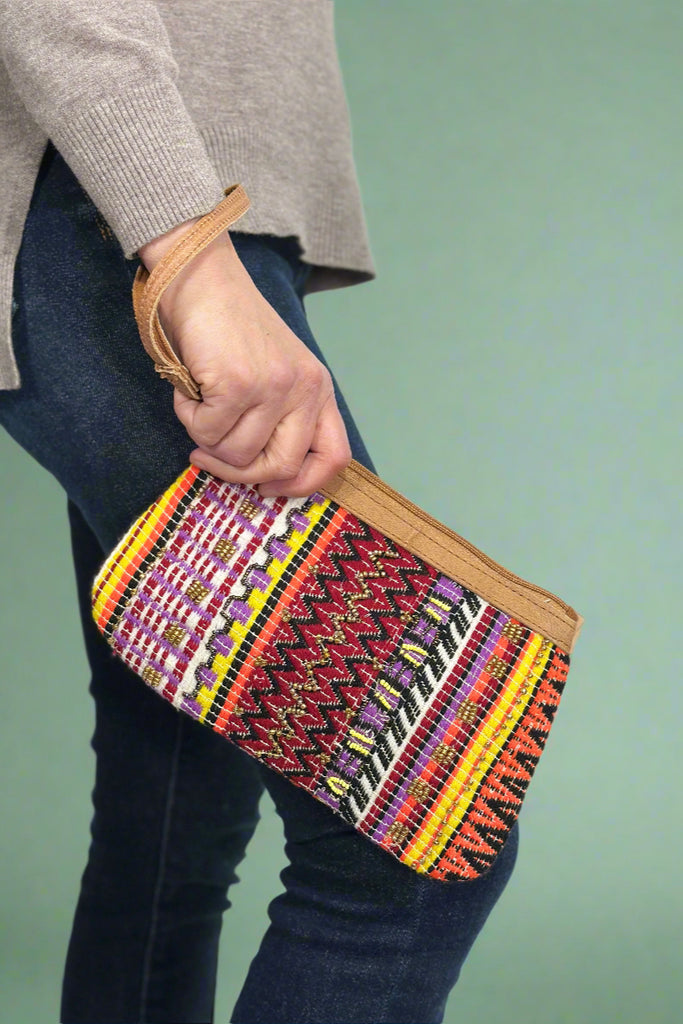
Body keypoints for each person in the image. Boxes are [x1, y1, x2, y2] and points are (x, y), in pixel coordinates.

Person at [0, 3, 518, 1022]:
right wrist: (184, 248)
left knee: (174, 816)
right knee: (410, 834)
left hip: (151, 196)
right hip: (101, 202)